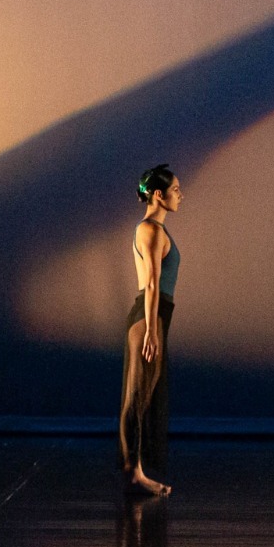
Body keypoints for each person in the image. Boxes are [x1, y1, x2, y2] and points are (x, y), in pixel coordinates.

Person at [119, 164, 182, 497]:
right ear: (158, 195)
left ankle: (137, 471)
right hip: (148, 319)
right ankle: (135, 472)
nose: (180, 195)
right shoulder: (151, 231)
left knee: (144, 397)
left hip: (154, 318)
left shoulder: (156, 229)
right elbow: (154, 284)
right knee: (138, 398)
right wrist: (151, 333)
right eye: (175, 190)